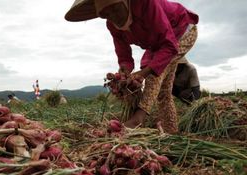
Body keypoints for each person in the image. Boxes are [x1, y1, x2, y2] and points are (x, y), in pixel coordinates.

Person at [65, 0, 198, 133]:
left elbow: (168, 45)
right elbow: (123, 55)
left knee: (153, 73)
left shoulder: (147, 5)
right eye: (105, 14)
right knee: (163, 92)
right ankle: (171, 131)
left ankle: (138, 118)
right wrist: (124, 72)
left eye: (115, 8)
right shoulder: (112, 25)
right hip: (157, 43)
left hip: (183, 30)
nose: (113, 16)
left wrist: (142, 73)